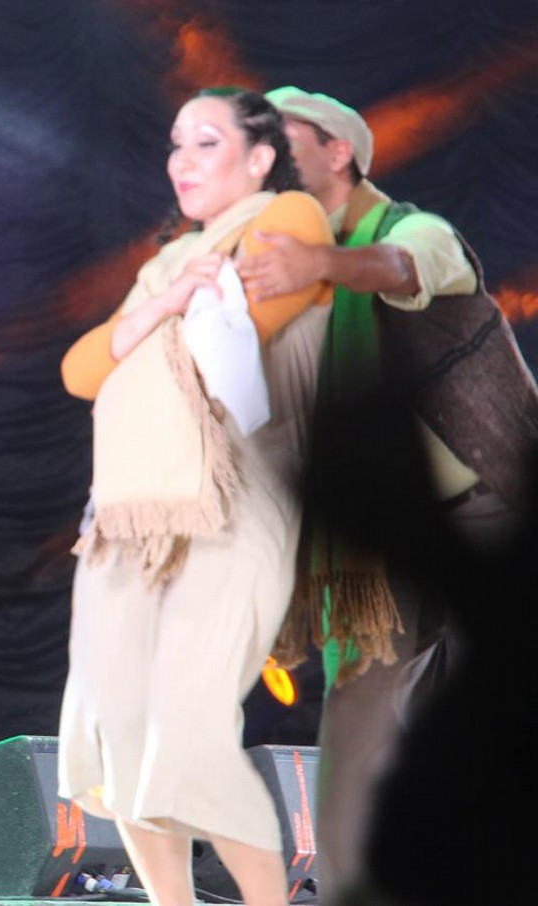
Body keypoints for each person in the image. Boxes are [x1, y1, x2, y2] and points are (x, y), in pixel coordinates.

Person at [235, 86, 538, 904]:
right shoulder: (287, 272)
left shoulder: (415, 230)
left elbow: (402, 271)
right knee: (360, 700)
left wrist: (322, 264)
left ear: (339, 153)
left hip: (494, 512)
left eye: (284, 142)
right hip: (383, 537)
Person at [56, 87, 335, 906]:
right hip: (127, 518)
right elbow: (79, 371)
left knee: (189, 731)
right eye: (175, 144)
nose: (181, 161)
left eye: (206, 143)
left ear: (258, 157)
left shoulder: (289, 218)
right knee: (116, 734)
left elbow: (262, 322)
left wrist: (156, 322)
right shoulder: (165, 264)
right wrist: (170, 302)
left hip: (233, 502)